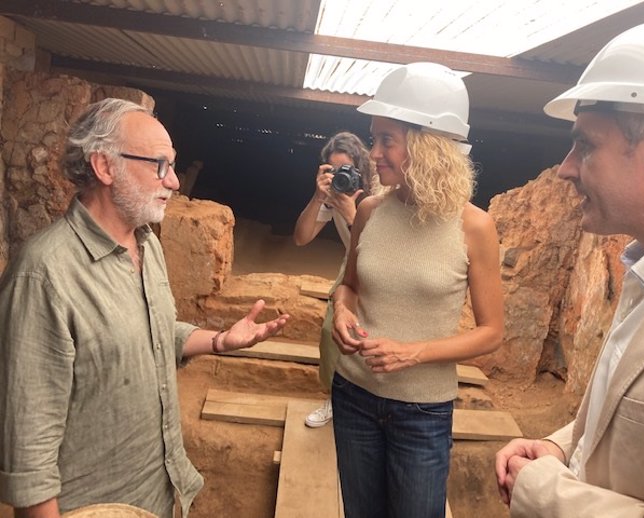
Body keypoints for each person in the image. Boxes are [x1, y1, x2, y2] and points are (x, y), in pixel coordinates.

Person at [0, 98, 289, 518]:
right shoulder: (43, 274)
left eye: (172, 165)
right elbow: (29, 447)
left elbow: (155, 333)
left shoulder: (147, 245)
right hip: (93, 506)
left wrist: (220, 340)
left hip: (159, 491)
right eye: (159, 164)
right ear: (104, 166)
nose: (173, 181)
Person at [494, 17, 644, 517]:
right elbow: (634, 423)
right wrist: (562, 448)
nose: (565, 167)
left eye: (585, 144)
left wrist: (546, 493)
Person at [330, 62, 504, 518]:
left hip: (422, 414)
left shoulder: (474, 226)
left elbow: (491, 332)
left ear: (428, 147)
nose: (374, 153)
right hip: (353, 395)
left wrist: (414, 353)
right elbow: (348, 287)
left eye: (387, 139)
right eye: (375, 139)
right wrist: (342, 311)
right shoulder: (369, 210)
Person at [293, 131, 380, 428]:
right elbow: (302, 238)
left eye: (348, 169)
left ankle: (371, 402)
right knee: (333, 328)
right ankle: (335, 397)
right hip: (352, 261)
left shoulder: (382, 190)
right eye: (334, 170)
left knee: (375, 332)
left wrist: (352, 214)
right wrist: (319, 196)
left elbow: (380, 250)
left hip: (385, 261)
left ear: (362, 167)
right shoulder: (333, 194)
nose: (343, 176)